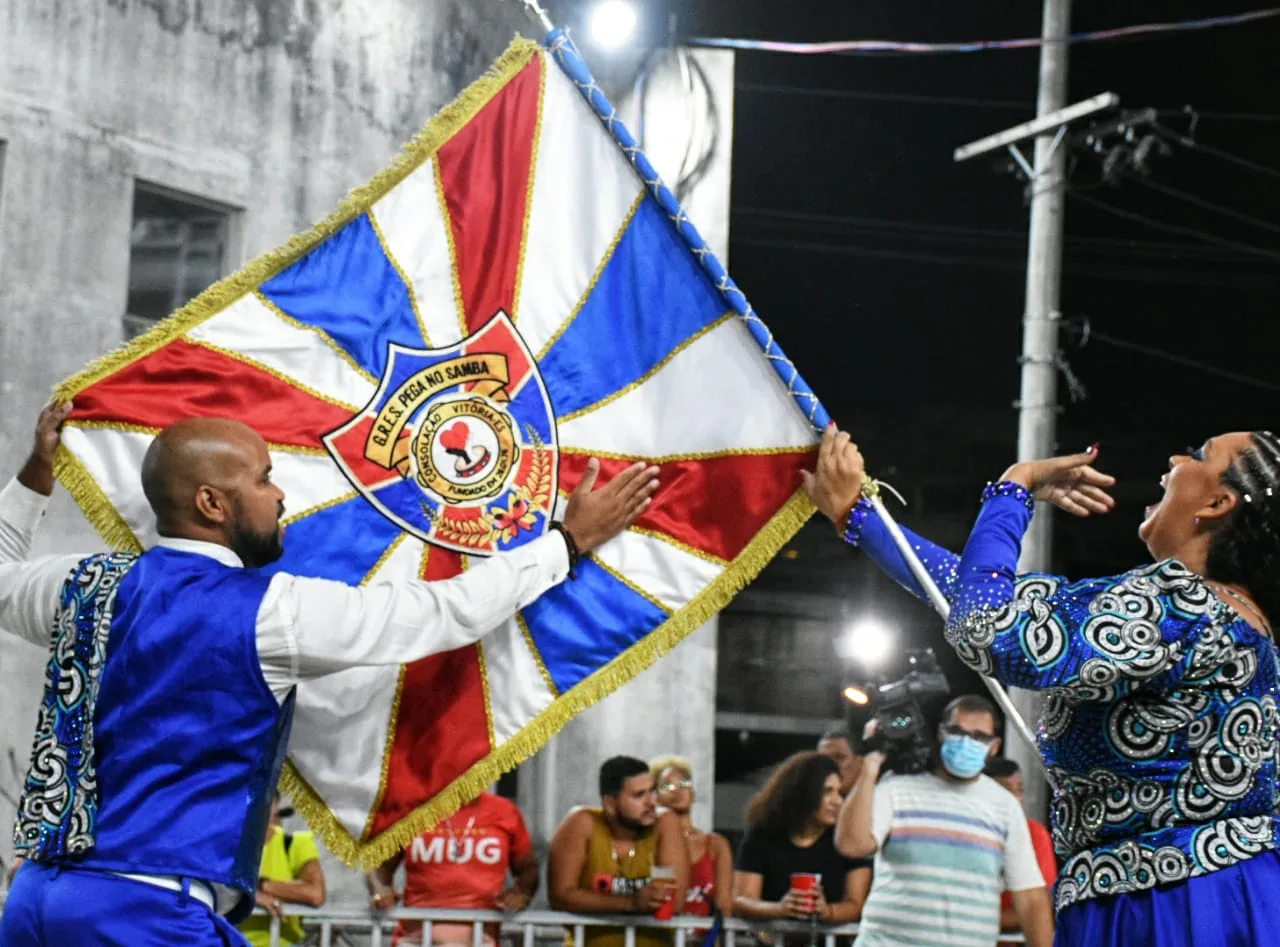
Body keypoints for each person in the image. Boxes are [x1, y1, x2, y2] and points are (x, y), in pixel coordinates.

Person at [0, 404, 659, 947]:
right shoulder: (272, 613)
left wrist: (35, 475)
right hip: (146, 912)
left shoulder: (77, 585)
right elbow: (444, 610)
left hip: (34, 901)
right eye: (262, 479)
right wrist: (567, 543)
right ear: (210, 501)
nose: (280, 493)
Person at [805, 424, 1280, 946]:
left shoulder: (1182, 604)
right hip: (1200, 896)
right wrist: (858, 515)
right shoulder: (1227, 620)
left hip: (1172, 906)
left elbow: (985, 623)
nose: (1174, 459)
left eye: (1197, 455)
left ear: (1217, 502)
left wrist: (1015, 486)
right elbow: (968, 592)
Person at [835, 695, 1054, 947]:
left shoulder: (1004, 806)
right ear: (941, 732)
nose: (966, 742)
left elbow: (1030, 896)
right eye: (956, 731)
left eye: (979, 737)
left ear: (994, 747)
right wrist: (870, 765)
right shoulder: (896, 787)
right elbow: (852, 845)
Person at [548, 756, 689, 947]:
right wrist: (631, 903)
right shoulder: (583, 823)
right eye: (639, 795)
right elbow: (561, 895)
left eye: (652, 792)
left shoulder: (665, 824)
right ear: (611, 804)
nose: (651, 802)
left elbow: (673, 900)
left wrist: (599, 901)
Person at [367, 790, 539, 946]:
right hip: (416, 939)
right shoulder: (411, 809)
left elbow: (528, 868)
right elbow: (378, 863)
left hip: (480, 939)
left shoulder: (504, 811)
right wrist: (381, 891)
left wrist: (522, 892)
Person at [732, 752, 870, 932]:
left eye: (841, 793)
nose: (837, 801)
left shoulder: (848, 838)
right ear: (803, 792)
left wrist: (827, 912)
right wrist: (780, 909)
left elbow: (856, 904)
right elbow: (742, 899)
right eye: (827, 791)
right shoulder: (763, 834)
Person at [650, 755, 733, 918]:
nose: (677, 790)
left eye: (683, 784)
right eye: (667, 786)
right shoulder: (649, 843)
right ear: (655, 797)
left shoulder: (716, 844)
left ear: (692, 793)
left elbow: (724, 906)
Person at [238, 795, 325, 947]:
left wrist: (258, 886)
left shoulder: (295, 842)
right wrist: (252, 893)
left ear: (276, 804)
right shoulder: (223, 847)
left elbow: (315, 894)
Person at [985, 758, 1057, 944]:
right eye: (1006, 790)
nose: (1016, 799)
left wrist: (975, 917)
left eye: (1019, 790)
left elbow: (1039, 907)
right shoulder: (963, 831)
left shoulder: (1035, 834)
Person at [816, 726, 863, 796]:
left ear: (859, 763)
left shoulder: (880, 800)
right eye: (824, 759)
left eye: (840, 758)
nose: (831, 765)